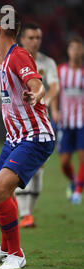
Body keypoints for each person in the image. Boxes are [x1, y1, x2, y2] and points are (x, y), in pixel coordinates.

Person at [0, 8, 55, 269]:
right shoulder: (7, 59)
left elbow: (36, 83)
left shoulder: (19, 56)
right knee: (2, 191)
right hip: (15, 138)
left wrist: (36, 94)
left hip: (34, 136)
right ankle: (5, 248)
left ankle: (17, 254)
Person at [51, 36, 84, 205]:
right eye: (73, 48)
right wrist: (55, 110)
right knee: (64, 163)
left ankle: (78, 191)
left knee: (82, 158)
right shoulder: (61, 71)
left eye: (79, 48)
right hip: (65, 122)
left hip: (82, 123)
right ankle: (73, 181)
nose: (76, 52)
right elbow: (55, 92)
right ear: (68, 51)